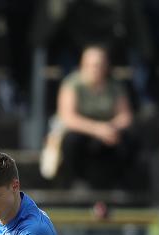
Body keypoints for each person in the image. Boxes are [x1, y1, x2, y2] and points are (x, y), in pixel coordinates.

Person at [55, 45, 134, 190]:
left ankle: (121, 183)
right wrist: (97, 129)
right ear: (83, 65)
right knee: (71, 141)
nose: (96, 69)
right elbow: (67, 117)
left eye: (100, 65)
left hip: (109, 130)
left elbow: (125, 116)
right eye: (92, 65)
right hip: (82, 131)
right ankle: (76, 182)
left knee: (129, 139)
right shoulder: (72, 83)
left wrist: (110, 128)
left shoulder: (115, 86)